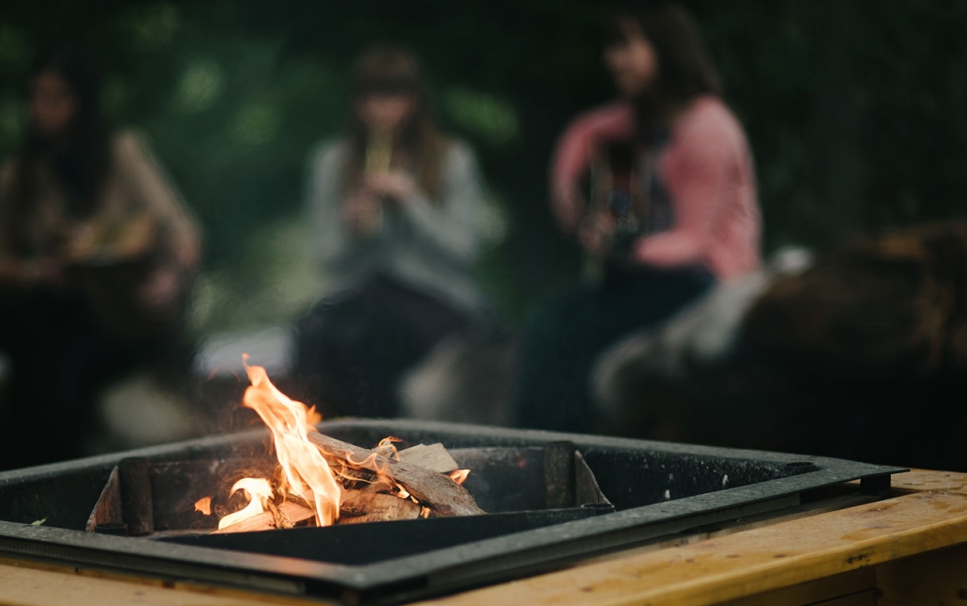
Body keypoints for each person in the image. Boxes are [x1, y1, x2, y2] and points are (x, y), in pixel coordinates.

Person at [0, 44, 202, 465]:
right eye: (35, 96)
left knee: (57, 367)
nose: (40, 109)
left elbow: (182, 233)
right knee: (23, 347)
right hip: (51, 315)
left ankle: (61, 474)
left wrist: (169, 277)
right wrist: (38, 272)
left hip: (120, 319)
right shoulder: (18, 175)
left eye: (55, 98)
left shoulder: (120, 153)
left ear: (82, 101)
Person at [513, 2, 761, 433]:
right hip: (659, 274)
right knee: (552, 327)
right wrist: (566, 189)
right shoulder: (650, 120)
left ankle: (557, 450)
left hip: (707, 281)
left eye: (626, 45)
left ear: (666, 48)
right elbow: (585, 131)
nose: (613, 60)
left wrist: (623, 245)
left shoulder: (708, 130)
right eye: (612, 46)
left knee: (561, 333)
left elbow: (693, 241)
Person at [294, 46, 486, 418]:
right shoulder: (331, 162)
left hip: (436, 299)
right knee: (313, 331)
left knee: (376, 337)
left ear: (414, 101)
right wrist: (353, 228)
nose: (380, 110)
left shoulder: (452, 159)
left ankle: (386, 453)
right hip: (359, 297)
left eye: (392, 96)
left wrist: (411, 202)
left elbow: (464, 253)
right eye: (370, 97)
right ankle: (324, 451)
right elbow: (328, 260)